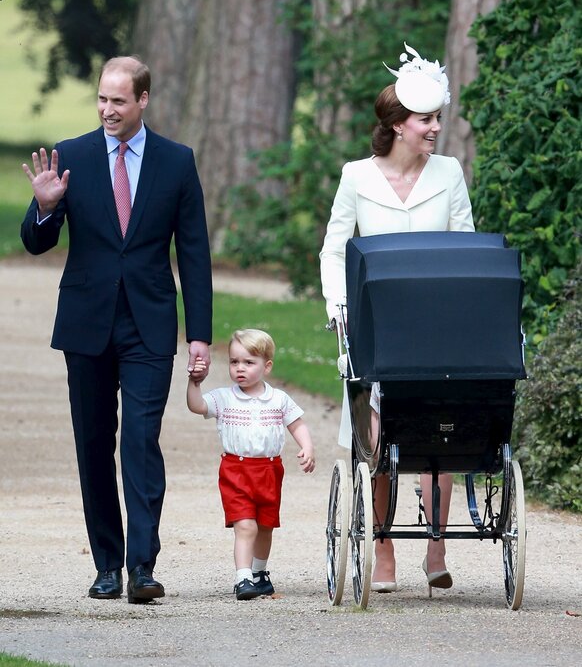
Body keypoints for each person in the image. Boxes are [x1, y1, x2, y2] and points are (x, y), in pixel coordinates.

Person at [20, 56, 212, 604]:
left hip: (150, 324)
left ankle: (141, 567)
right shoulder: (71, 156)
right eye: (102, 100)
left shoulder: (177, 162)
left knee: (141, 441)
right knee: (93, 443)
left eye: (119, 101)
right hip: (86, 324)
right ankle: (106, 564)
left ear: (143, 100)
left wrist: (199, 333)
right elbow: (36, 243)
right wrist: (43, 206)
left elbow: (194, 252)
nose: (108, 110)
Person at [320, 43, 475, 595]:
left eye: (438, 118)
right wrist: (338, 305)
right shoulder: (357, 176)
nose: (435, 127)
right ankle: (381, 545)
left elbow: (466, 248)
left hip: (436, 324)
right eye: (426, 119)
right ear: (398, 124)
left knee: (442, 432)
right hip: (376, 325)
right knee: (379, 437)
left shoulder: (450, 173)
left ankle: (435, 548)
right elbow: (335, 247)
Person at [186, 328, 315, 600]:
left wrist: (306, 447)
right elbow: (197, 407)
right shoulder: (224, 397)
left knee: (265, 525)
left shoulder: (278, 399)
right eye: (234, 362)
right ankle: (243, 578)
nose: (239, 368)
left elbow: (296, 424)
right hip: (236, 470)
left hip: (269, 470)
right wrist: (195, 384)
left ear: (266, 366)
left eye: (248, 362)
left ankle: (259, 573)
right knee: (246, 525)